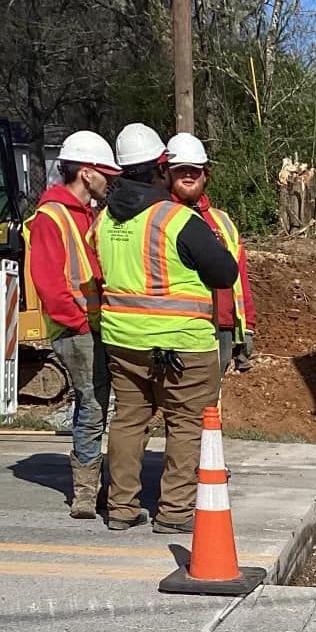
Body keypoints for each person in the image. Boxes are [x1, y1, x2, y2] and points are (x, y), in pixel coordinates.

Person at [94, 122, 238, 533]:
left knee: (128, 420)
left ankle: (121, 507)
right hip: (182, 345)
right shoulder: (177, 220)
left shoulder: (104, 221)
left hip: (123, 341)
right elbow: (224, 272)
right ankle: (174, 512)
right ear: (161, 166)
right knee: (186, 422)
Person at [26, 132, 120, 518]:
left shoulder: (89, 214)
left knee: (98, 403)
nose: (109, 180)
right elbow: (49, 281)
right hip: (77, 329)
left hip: (95, 325)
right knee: (93, 404)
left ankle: (96, 487)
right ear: (85, 172)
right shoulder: (52, 216)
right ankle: (85, 492)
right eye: (104, 173)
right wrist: (78, 324)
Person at [164, 132, 256, 375]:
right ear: (167, 173)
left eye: (195, 169)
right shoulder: (159, 218)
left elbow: (240, 276)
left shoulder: (221, 221)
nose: (188, 174)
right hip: (177, 329)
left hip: (221, 326)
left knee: (211, 402)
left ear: (206, 174)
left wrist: (247, 327)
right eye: (180, 169)